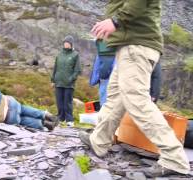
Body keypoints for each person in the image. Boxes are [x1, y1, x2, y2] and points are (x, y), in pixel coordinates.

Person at [79, 0, 190, 177]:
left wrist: (115, 21)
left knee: (137, 101)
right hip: (128, 47)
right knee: (115, 98)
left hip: (137, 47)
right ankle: (98, 141)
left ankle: (174, 158)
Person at [51, 35, 81, 127]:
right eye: (65, 43)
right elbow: (55, 68)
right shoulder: (59, 54)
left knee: (67, 102)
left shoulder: (75, 55)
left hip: (69, 84)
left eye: (68, 43)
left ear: (71, 44)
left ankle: (69, 120)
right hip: (58, 82)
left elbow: (77, 70)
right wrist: (53, 80)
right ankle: (60, 118)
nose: (66, 44)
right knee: (59, 101)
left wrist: (71, 79)